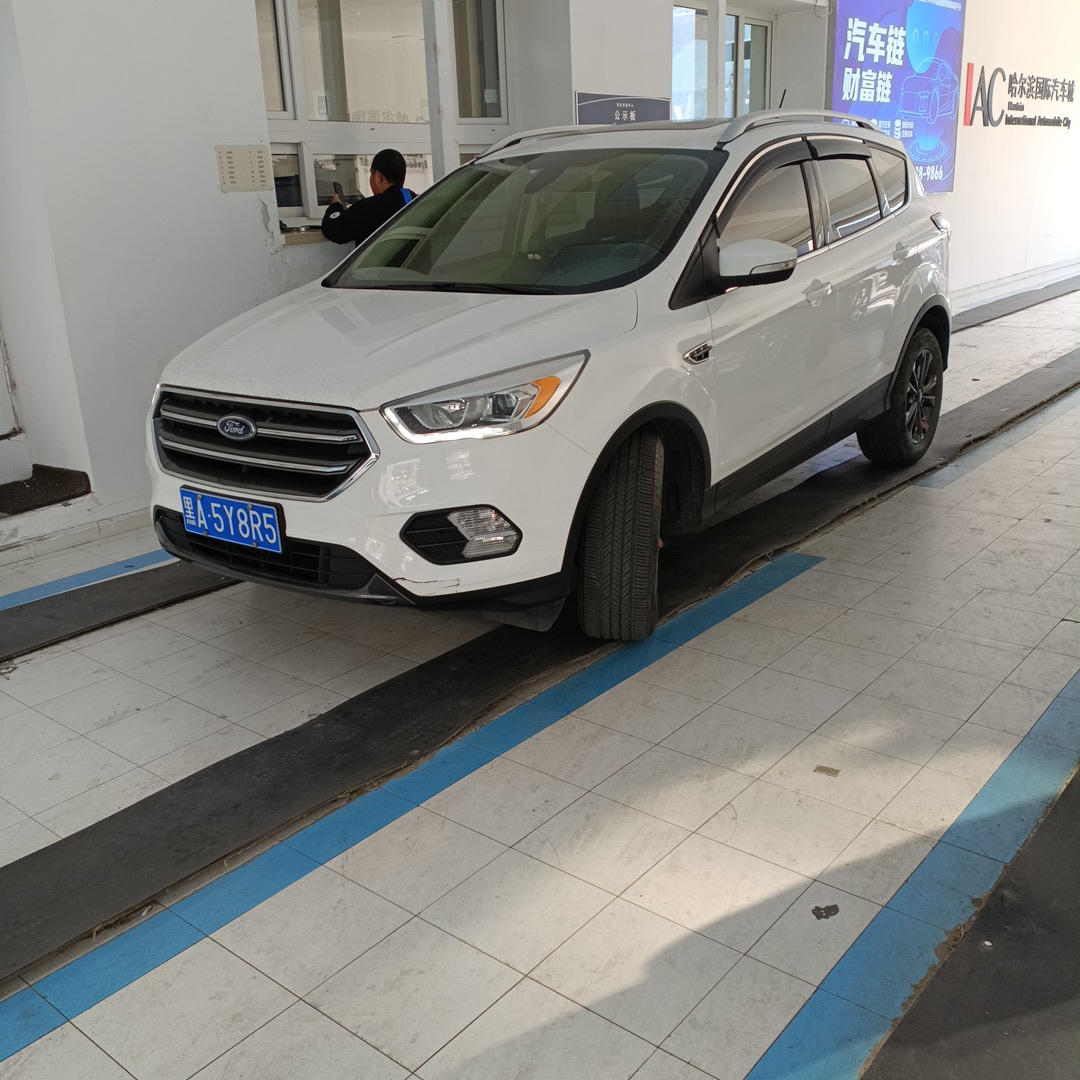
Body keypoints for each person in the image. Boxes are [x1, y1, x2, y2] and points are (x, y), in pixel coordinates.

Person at [320, 149, 417, 246]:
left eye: (371, 174)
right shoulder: (417, 201)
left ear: (378, 177)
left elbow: (334, 230)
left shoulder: (371, 207)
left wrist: (335, 205)